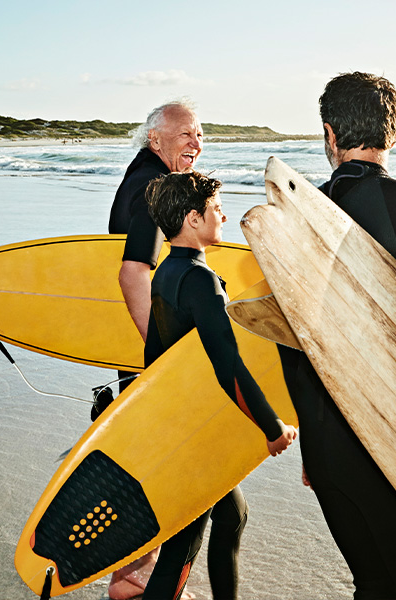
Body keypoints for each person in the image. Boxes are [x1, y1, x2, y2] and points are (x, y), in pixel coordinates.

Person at [277, 72, 396, 599]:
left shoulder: (296, 217)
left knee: (375, 585)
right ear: (392, 133)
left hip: (327, 444)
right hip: (394, 446)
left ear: (329, 133)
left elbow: (287, 337)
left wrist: (312, 448)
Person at [141, 171, 297, 600]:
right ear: (193, 219)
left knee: (233, 516)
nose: (223, 215)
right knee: (185, 542)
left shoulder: (166, 274)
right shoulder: (201, 281)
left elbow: (153, 357)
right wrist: (272, 427)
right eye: (215, 209)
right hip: (196, 435)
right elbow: (228, 368)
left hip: (181, 421)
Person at [101, 100, 204, 599]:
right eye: (185, 133)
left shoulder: (145, 178)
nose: (196, 143)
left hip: (135, 351)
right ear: (155, 139)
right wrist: (162, 354)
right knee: (185, 490)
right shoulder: (153, 186)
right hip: (149, 356)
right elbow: (132, 270)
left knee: (212, 502)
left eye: (200, 134)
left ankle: (133, 577)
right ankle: (133, 580)